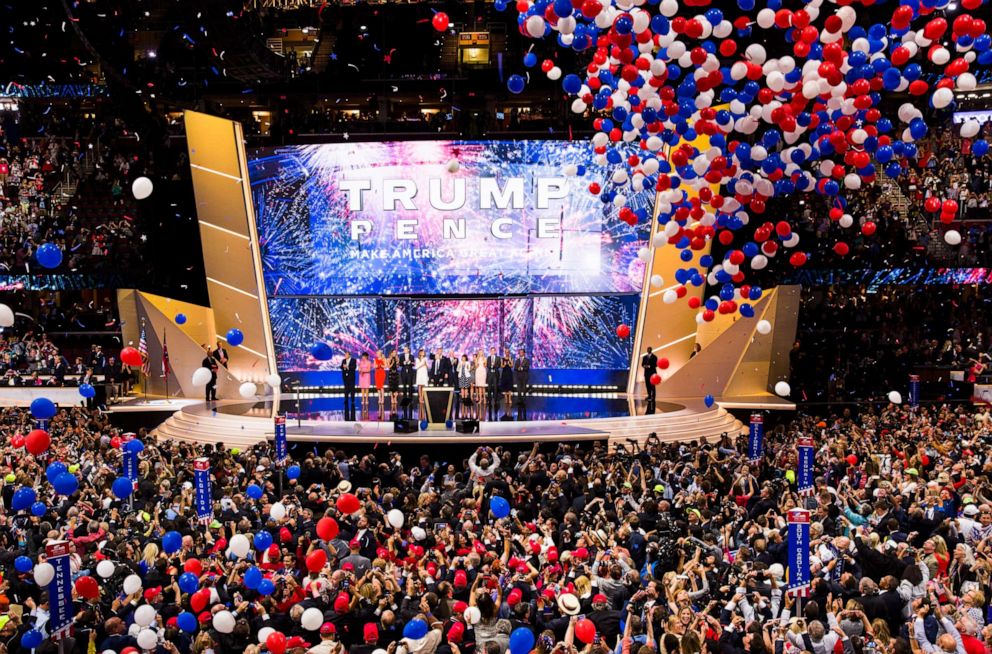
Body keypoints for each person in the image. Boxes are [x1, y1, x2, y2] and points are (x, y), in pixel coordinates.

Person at [340, 351, 357, 420]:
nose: (345, 356)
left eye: (346, 354)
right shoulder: (343, 360)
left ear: (349, 355)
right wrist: (343, 367)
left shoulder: (353, 360)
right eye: (345, 354)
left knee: (352, 388)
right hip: (345, 377)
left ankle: (352, 400)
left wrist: (347, 367)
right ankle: (346, 399)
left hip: (351, 377)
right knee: (346, 389)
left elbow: (354, 367)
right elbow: (341, 366)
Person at [457, 353, 472, 417]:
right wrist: (460, 366)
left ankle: (466, 399)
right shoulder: (460, 363)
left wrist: (466, 367)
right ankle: (463, 399)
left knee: (466, 388)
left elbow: (469, 369)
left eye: (464, 358)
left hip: (466, 376)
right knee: (462, 388)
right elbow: (457, 369)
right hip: (461, 376)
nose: (463, 359)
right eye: (462, 358)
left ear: (465, 358)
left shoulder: (468, 363)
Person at [473, 349, 488, 414]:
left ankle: (484, 398)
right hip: (478, 372)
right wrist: (477, 362)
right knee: (479, 386)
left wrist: (484, 362)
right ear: (478, 353)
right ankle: (480, 399)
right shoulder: (476, 358)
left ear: (483, 353)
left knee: (483, 386)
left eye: (481, 352)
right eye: (479, 352)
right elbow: (476, 367)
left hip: (483, 371)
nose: (481, 353)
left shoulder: (485, 358)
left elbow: (485, 366)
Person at [386, 349, 399, 414]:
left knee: (396, 386)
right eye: (393, 352)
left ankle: (395, 398)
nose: (394, 353)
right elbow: (388, 367)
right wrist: (393, 362)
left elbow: (397, 366)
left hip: (396, 373)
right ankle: (392, 398)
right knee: (391, 386)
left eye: (395, 352)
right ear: (391, 353)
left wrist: (396, 362)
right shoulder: (388, 359)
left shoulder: (397, 358)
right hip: (391, 373)